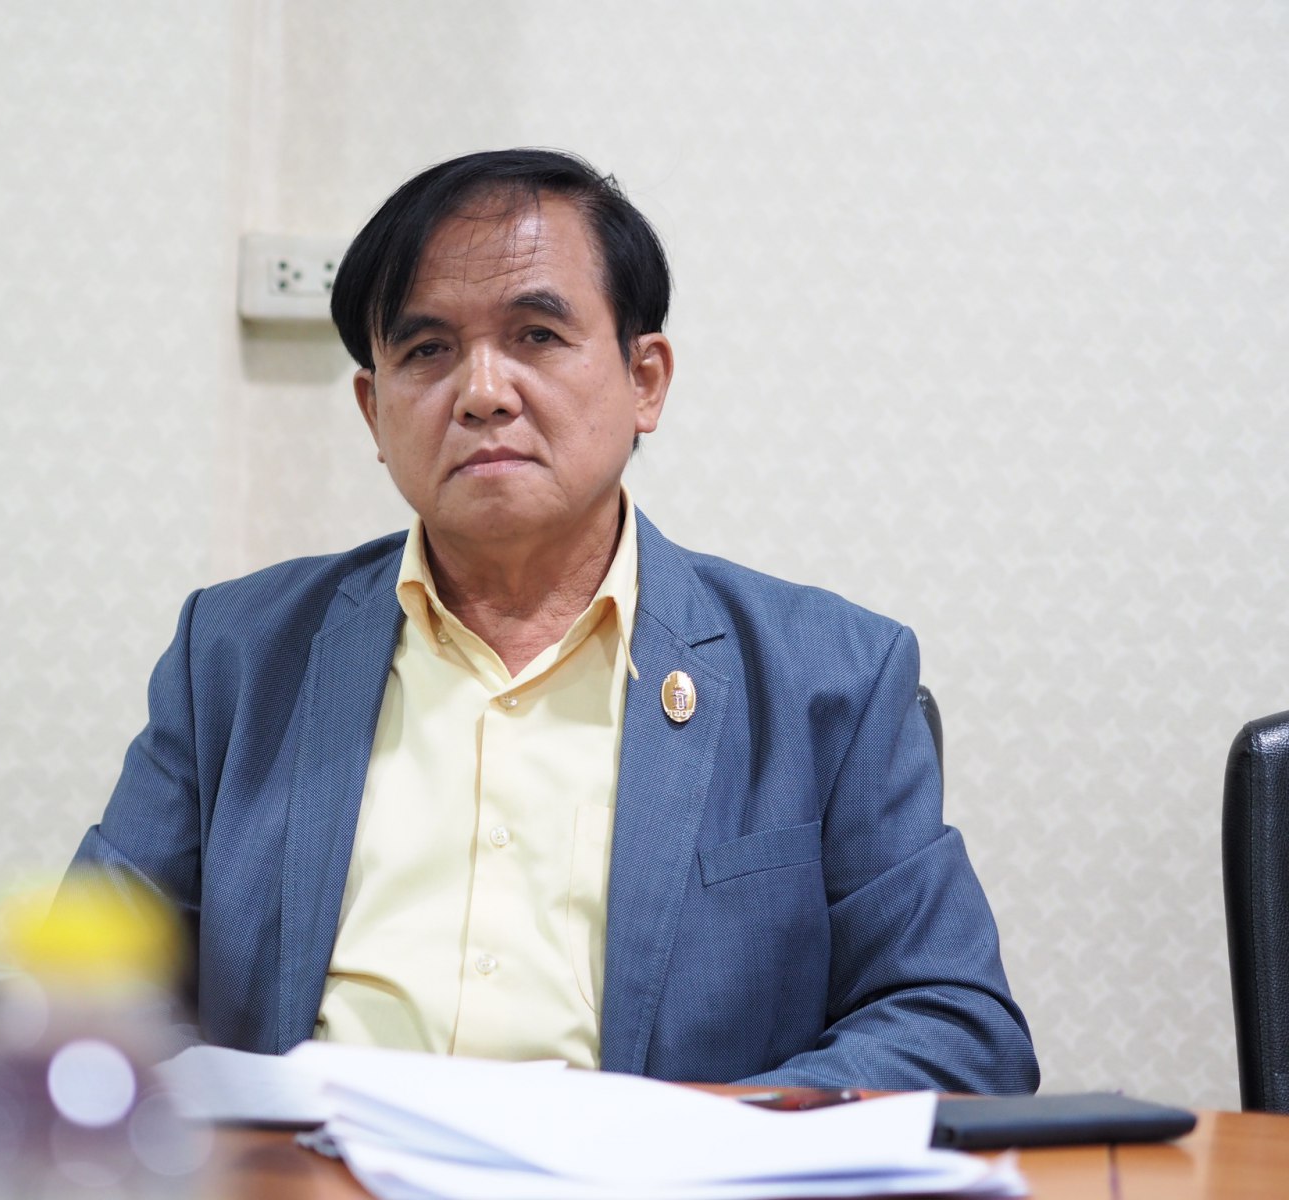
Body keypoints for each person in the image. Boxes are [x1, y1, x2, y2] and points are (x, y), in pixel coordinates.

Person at [70, 148, 1039, 1092]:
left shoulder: (830, 675)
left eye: (535, 336)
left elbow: (953, 1023)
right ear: (372, 411)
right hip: (315, 1165)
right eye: (426, 350)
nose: (483, 393)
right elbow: (82, 990)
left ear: (645, 380)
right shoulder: (238, 655)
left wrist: (709, 1140)